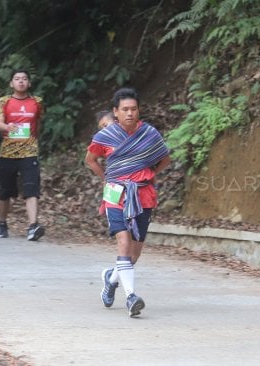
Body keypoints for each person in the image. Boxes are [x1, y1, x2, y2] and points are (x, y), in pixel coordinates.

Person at [85, 87, 171, 317]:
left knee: (134, 253)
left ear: (138, 110)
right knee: (123, 241)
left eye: (134, 109)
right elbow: (91, 160)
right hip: (115, 193)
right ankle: (131, 296)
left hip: (143, 195)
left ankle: (110, 278)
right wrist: (107, 179)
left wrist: (150, 174)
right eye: (125, 109)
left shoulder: (149, 134)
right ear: (116, 112)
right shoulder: (105, 136)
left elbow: (164, 158)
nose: (130, 113)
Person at [0, 70, 45, 241]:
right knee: (5, 191)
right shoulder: (4, 101)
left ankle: (32, 226)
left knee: (32, 189)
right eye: (17, 79)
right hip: (8, 152)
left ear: (29, 83)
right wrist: (7, 127)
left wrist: (32, 140)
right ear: (11, 83)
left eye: (24, 79)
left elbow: (38, 123)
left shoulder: (37, 102)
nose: (21, 82)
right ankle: (2, 222)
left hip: (30, 151)